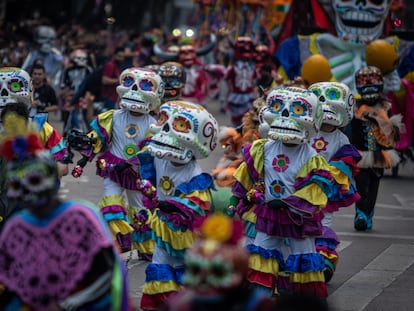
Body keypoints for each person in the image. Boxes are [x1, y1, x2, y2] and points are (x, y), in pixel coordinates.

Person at [0, 112, 130, 310]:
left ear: (52, 180)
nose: (27, 192)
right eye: (17, 185)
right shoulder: (15, 228)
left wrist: (69, 305)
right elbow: (11, 286)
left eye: (34, 181)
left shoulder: (81, 217)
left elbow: (109, 275)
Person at [230, 87, 350, 300]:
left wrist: (291, 203)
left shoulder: (311, 156)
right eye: (279, 108)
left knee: (303, 256)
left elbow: (316, 189)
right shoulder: (263, 148)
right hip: (268, 215)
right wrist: (237, 199)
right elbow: (247, 173)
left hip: (298, 219)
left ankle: (305, 300)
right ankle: (259, 297)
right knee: (260, 252)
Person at [70, 67, 165, 256]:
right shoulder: (113, 116)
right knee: (111, 204)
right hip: (112, 170)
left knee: (139, 211)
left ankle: (145, 248)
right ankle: (115, 244)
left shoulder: (153, 124)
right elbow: (97, 139)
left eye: (144, 87)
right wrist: (83, 157)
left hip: (136, 175)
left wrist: (132, 163)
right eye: (130, 84)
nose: (135, 92)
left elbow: (150, 150)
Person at [139, 100, 218, 311]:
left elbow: (197, 204)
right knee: (159, 267)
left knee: (185, 272)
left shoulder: (195, 174)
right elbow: (148, 177)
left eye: (180, 126)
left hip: (187, 234)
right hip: (163, 228)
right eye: (164, 122)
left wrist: (172, 206)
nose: (166, 131)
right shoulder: (157, 158)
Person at [162, 213, 276, 311]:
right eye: (195, 270)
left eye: (217, 271)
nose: (205, 281)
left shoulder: (258, 305)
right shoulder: (180, 304)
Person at [308, 81, 361, 282]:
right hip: (303, 188)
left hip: (326, 191)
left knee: (323, 225)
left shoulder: (341, 140)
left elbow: (344, 166)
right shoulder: (309, 131)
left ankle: (324, 263)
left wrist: (328, 176)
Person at [351, 66, 401, 231]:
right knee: (361, 184)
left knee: (374, 185)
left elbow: (392, 133)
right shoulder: (356, 106)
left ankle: (369, 213)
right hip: (360, 153)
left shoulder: (385, 107)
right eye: (364, 83)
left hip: (379, 154)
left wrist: (381, 119)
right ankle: (360, 214)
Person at [61, 48, 93, 135]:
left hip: (83, 95)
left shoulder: (87, 70)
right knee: (70, 114)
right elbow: (64, 83)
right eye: (79, 58)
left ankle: (82, 132)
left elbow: (90, 83)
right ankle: (69, 132)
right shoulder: (68, 70)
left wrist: (88, 94)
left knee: (81, 114)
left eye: (83, 59)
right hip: (71, 94)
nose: (82, 61)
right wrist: (65, 94)